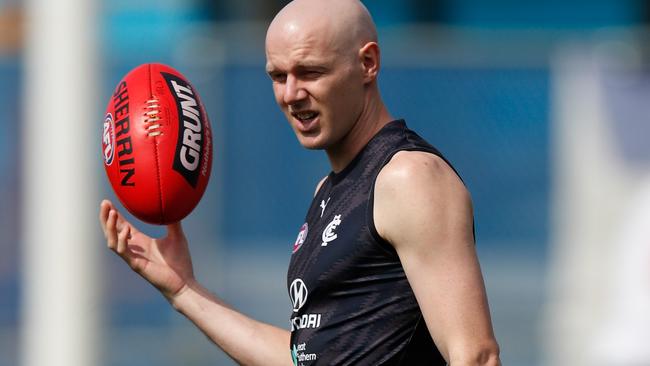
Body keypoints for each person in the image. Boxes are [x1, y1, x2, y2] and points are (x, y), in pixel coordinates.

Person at [99, 0, 501, 364]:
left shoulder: (409, 178)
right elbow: (303, 358)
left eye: (310, 72)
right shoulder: (330, 192)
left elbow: (475, 355)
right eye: (278, 76)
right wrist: (184, 291)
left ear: (368, 64)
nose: (291, 94)